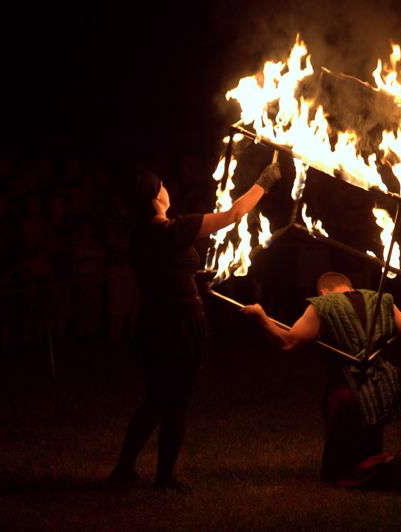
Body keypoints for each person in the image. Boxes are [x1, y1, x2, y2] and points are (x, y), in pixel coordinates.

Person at [109, 161, 282, 490]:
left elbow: (166, 272)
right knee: (176, 400)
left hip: (155, 323)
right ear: (155, 196)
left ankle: (124, 467)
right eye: (161, 185)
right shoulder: (172, 229)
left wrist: (195, 277)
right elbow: (233, 215)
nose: (166, 188)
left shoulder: (142, 235)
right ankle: (163, 477)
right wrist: (265, 181)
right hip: (180, 325)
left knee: (156, 398)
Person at [241, 271, 401, 492]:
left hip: (346, 393)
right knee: (366, 451)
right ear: (350, 287)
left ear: (323, 292)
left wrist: (261, 316)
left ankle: (388, 466)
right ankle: (387, 467)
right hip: (381, 390)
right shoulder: (381, 298)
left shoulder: (322, 304)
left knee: (338, 472)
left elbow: (288, 342)